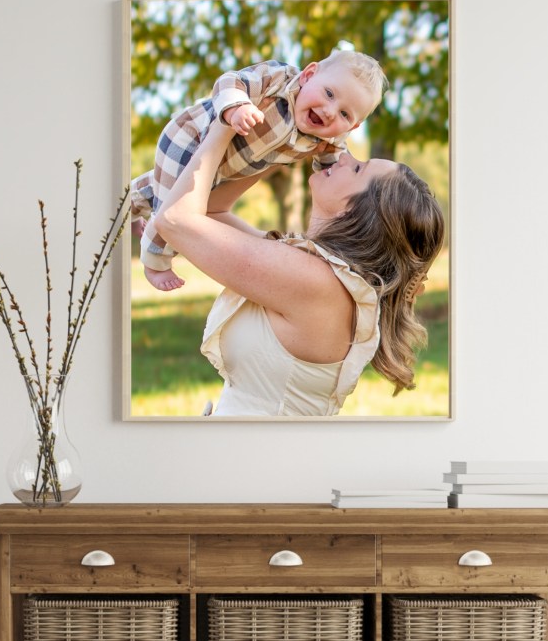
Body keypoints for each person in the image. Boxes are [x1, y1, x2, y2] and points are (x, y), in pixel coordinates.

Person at [150, 118, 445, 417]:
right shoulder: (317, 274)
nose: (344, 156)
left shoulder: (317, 282)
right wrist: (281, 148)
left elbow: (175, 220)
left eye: (358, 168)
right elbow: (212, 213)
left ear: (361, 213)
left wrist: (224, 126)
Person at [131, 49, 387, 291]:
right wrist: (236, 107)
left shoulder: (328, 142)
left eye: (345, 114)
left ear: (353, 127)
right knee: (172, 205)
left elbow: (337, 174)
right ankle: (155, 262)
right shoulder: (278, 79)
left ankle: (129, 203)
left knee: (162, 186)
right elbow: (231, 81)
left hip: (224, 166)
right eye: (329, 93)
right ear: (308, 75)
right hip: (191, 138)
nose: (330, 112)